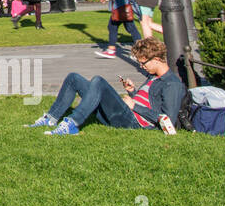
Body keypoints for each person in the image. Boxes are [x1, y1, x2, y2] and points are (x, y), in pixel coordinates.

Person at [28, 37, 184, 136]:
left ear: (156, 59)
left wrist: (134, 106)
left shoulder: (172, 84)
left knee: (98, 81)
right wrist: (132, 92)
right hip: (126, 112)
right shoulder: (153, 77)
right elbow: (148, 100)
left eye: (143, 63)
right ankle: (51, 118)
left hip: (133, 122)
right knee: (73, 78)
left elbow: (167, 118)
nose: (142, 67)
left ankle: (73, 124)